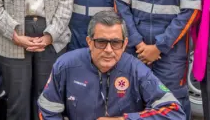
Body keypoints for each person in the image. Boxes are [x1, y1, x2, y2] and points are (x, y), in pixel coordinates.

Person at [38, 11, 186, 120]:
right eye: (101, 42)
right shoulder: (65, 66)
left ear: (125, 44)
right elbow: (48, 109)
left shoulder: (137, 70)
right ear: (89, 42)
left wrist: (125, 119)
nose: (108, 50)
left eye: (115, 43)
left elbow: (174, 112)